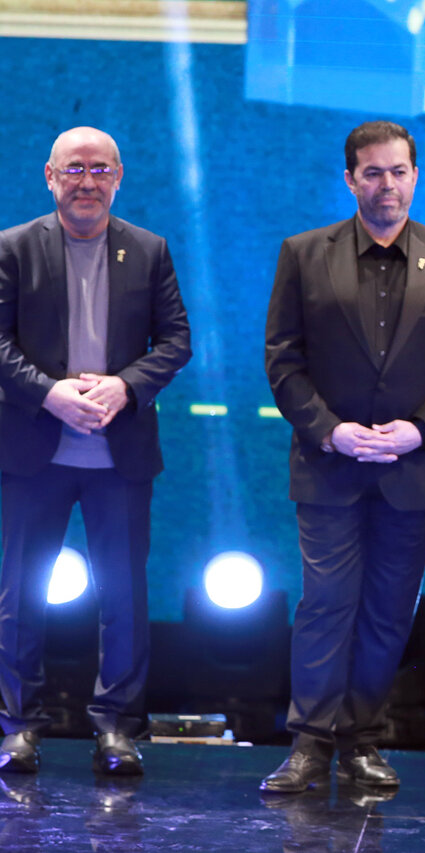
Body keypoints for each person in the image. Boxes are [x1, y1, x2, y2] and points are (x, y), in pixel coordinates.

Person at [261, 120, 425, 793]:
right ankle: (309, 744)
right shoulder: (304, 253)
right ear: (350, 179)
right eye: (372, 172)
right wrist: (330, 431)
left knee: (389, 611)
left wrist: (420, 430)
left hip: (413, 469)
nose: (387, 184)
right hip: (328, 463)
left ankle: (361, 740)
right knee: (326, 603)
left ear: (416, 176)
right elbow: (283, 360)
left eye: (398, 171)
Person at [0, 126, 192, 776]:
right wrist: (49, 393)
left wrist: (125, 386)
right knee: (20, 595)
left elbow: (176, 341)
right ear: (50, 176)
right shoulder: (13, 248)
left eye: (100, 169)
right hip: (35, 449)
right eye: (75, 168)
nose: (88, 181)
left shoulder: (150, 250)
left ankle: (117, 729)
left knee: (125, 599)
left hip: (121, 454)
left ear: (119, 176)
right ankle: (19, 727)